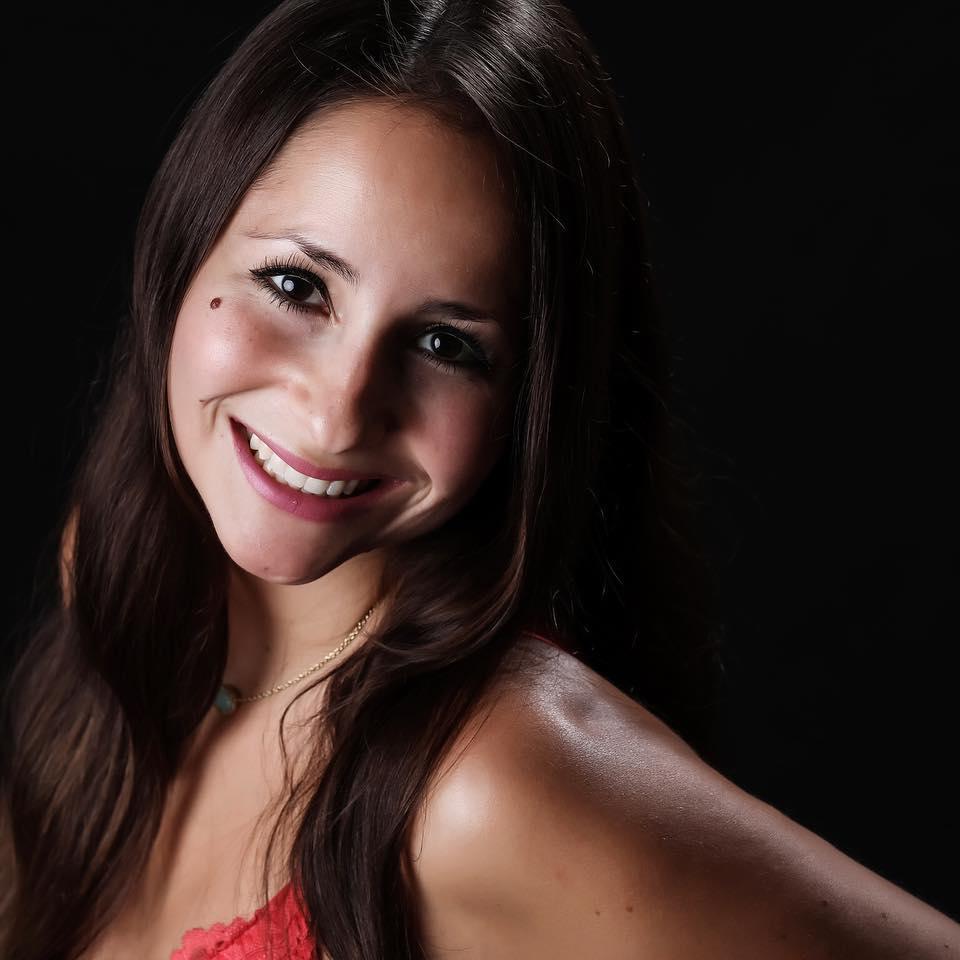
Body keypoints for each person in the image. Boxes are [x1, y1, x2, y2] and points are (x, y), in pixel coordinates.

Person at [1, 1, 957, 958]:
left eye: (444, 345)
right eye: (297, 286)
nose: (338, 416)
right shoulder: (130, 586)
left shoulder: (487, 782)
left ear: (529, 397)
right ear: (183, 249)